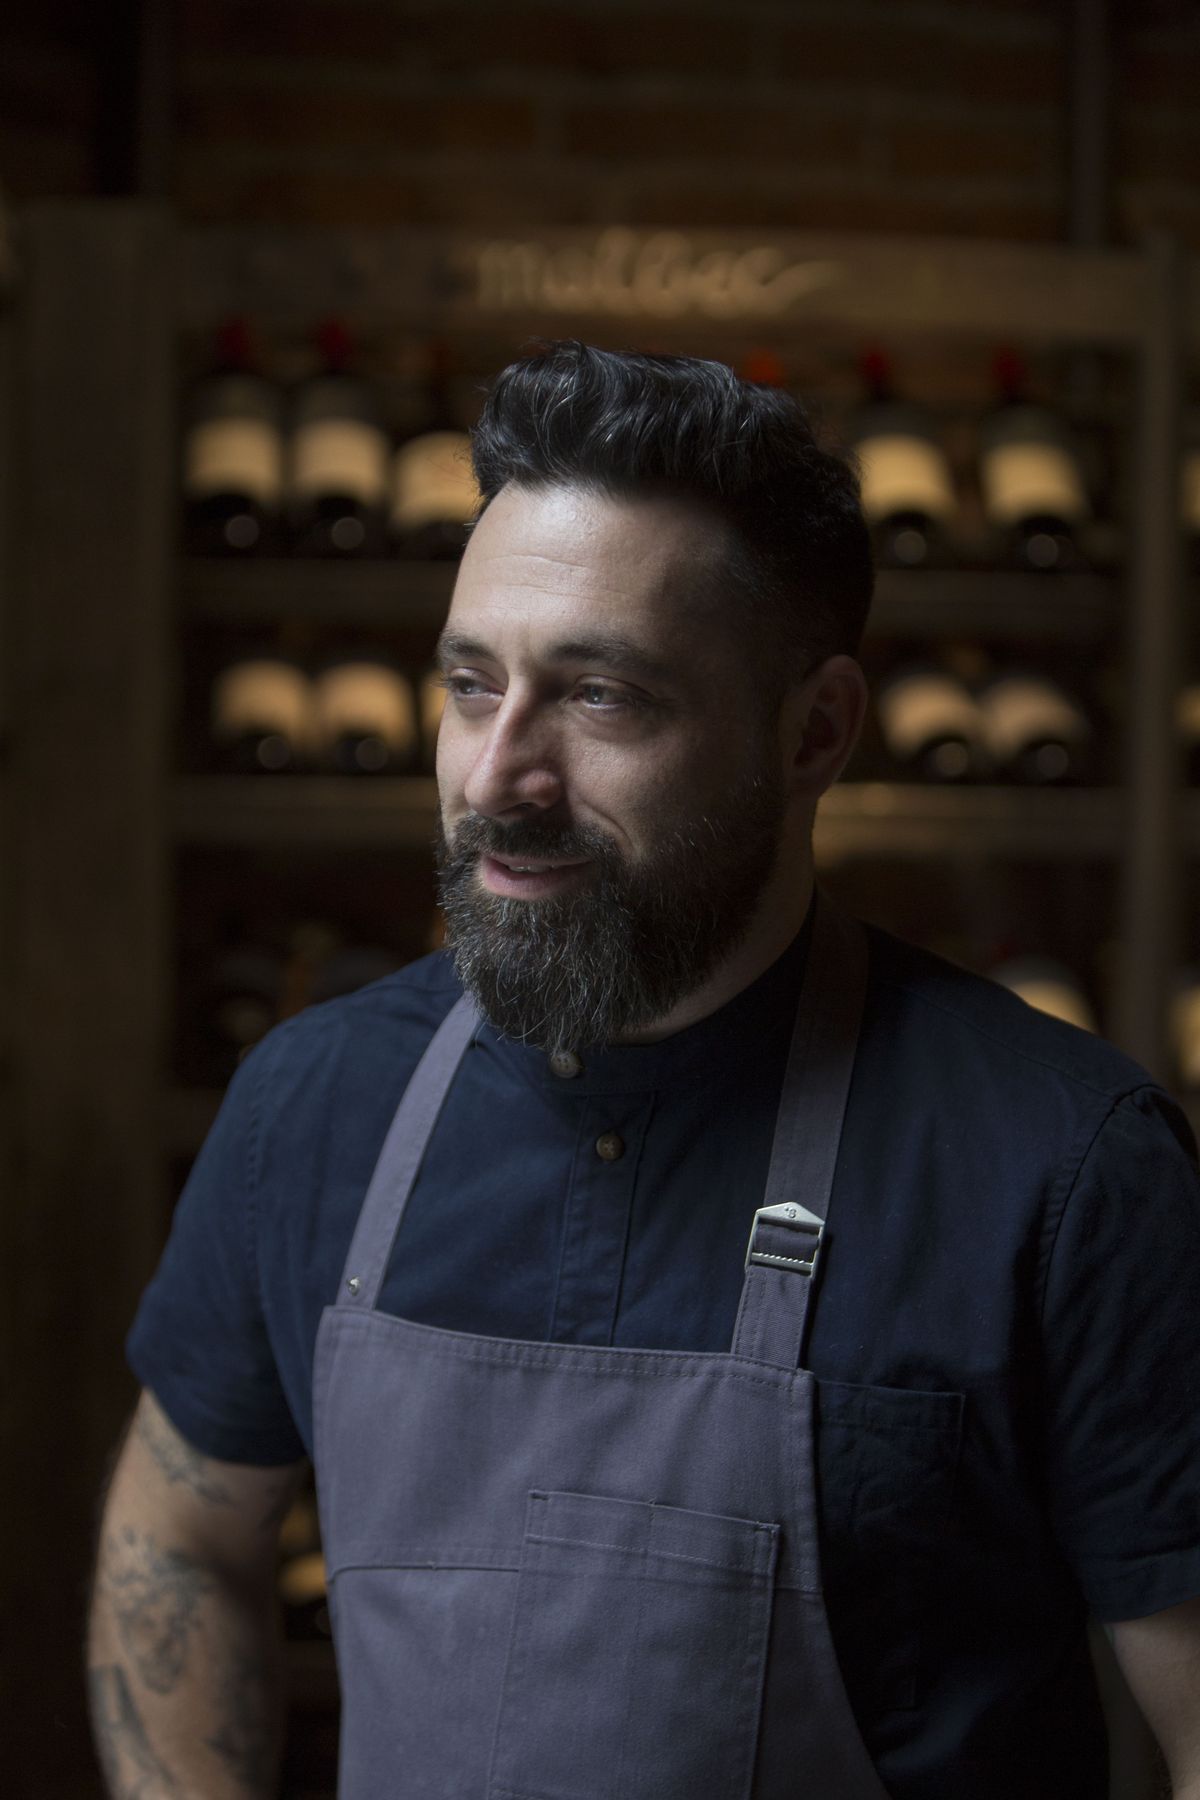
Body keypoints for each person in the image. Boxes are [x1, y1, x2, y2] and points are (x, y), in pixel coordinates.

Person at [89, 342, 1200, 1800]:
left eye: (600, 699)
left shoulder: (1065, 1168)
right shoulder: (318, 1106)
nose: (497, 776)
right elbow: (177, 1541)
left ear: (816, 732)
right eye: (473, 686)